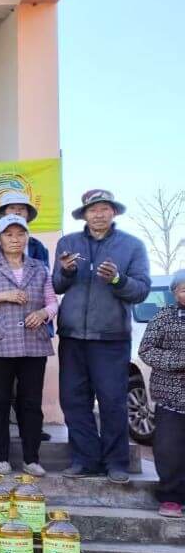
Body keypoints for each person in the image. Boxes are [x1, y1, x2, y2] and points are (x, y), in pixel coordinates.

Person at [54, 189, 151, 483]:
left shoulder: (132, 246)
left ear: (114, 213)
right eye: (92, 210)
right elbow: (56, 285)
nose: (98, 214)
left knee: (111, 401)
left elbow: (142, 290)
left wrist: (118, 280)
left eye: (104, 209)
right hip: (72, 335)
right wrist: (67, 272)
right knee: (73, 400)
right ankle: (84, 459)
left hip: (111, 338)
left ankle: (116, 463)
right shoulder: (68, 243)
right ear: (84, 214)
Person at [0, 215, 58, 476]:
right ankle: (1, 457)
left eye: (20, 234)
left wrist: (43, 314)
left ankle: (32, 459)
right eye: (9, 235)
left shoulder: (40, 267)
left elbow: (52, 302)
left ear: (27, 238)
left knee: (30, 402)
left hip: (34, 344)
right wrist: (0, 296)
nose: (15, 239)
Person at [0, 190, 51, 441]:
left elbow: (49, 291)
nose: (17, 212)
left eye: (22, 209)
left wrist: (45, 314)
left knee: (29, 389)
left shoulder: (38, 248)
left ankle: (30, 429)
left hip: (32, 326)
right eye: (11, 208)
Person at [138, 270, 185, 517]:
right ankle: (171, 498)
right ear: (175, 292)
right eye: (184, 289)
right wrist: (178, 360)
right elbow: (146, 350)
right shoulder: (164, 317)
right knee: (170, 449)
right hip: (171, 396)